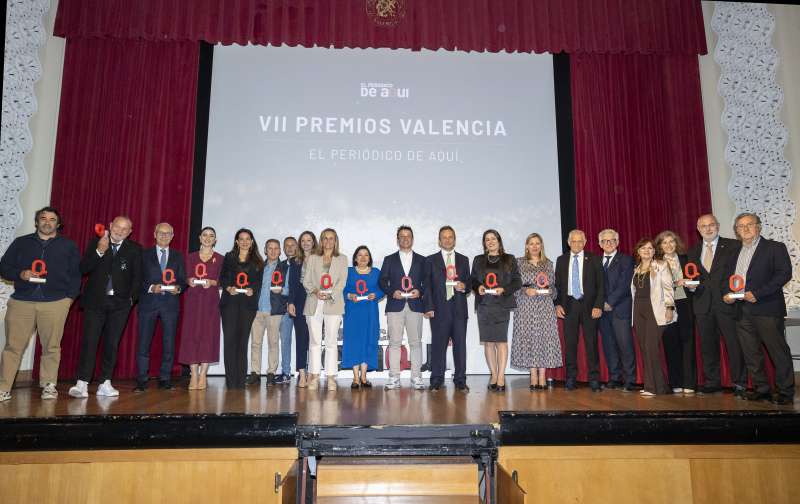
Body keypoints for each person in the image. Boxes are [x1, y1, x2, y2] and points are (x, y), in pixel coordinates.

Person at [0, 207, 80, 401]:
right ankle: (3, 387)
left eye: (52, 219)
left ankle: (49, 385)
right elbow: (4, 267)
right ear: (37, 222)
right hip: (22, 302)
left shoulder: (68, 246)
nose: (47, 222)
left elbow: (75, 275)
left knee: (51, 347)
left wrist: (68, 300)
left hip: (55, 303)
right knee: (13, 347)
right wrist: (21, 273)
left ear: (58, 224)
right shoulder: (21, 242)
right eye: (43, 218)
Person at [723, 213, 794, 405]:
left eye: (749, 224)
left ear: (759, 227)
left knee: (777, 351)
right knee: (751, 352)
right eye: (741, 226)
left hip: (767, 308)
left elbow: (784, 274)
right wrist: (728, 294)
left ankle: (786, 391)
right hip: (741, 309)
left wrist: (758, 293)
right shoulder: (734, 252)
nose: (745, 229)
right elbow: (729, 278)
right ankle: (762, 389)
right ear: (736, 231)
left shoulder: (775, 248)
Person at [69, 216, 142, 398]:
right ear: (110, 226)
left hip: (120, 305)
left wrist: (131, 299)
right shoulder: (97, 242)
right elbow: (83, 268)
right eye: (117, 227)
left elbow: (138, 277)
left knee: (112, 343)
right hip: (95, 302)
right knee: (90, 341)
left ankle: (105, 382)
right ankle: (82, 382)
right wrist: (99, 251)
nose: (120, 231)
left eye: (125, 229)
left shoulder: (135, 249)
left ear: (130, 232)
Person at [686, 214, 746, 397]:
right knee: (707, 346)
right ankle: (712, 382)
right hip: (703, 305)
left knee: (734, 344)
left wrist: (735, 293)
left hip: (727, 303)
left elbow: (741, 272)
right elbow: (694, 278)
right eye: (704, 226)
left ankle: (740, 383)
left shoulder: (733, 246)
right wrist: (691, 286)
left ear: (718, 226)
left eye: (711, 225)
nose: (708, 228)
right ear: (698, 229)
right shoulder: (693, 251)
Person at [134, 223, 186, 392]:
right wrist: (151, 288)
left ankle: (165, 378)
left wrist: (179, 288)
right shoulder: (143, 254)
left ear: (172, 236)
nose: (164, 236)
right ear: (155, 234)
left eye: (168, 233)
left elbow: (182, 279)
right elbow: (137, 278)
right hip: (148, 303)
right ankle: (142, 379)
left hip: (170, 305)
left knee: (169, 343)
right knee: (144, 343)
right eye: (161, 233)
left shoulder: (178, 256)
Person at [554, 229, 605, 392]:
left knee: (591, 343)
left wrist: (598, 305)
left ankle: (594, 379)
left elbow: (601, 285)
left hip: (590, 306)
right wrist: (557, 304)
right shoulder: (561, 260)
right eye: (573, 241)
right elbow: (557, 285)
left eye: (580, 241)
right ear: (569, 243)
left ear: (585, 242)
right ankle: (570, 378)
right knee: (570, 344)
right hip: (569, 305)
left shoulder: (595, 259)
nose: (576, 244)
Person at [470, 229, 521, 392]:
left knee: (501, 342)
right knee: (489, 342)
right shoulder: (478, 260)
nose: (491, 241)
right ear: (484, 243)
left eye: (493, 238)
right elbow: (472, 280)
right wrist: (478, 287)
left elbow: (517, 281)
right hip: (484, 305)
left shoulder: (509, 259)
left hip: (501, 305)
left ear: (499, 241)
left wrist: (504, 289)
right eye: (487, 239)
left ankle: (501, 376)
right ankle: (493, 374)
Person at [511, 233, 561, 391]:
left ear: (541, 246)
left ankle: (542, 376)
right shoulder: (518, 262)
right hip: (525, 306)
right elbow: (513, 285)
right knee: (529, 338)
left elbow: (554, 288)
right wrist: (525, 290)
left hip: (544, 307)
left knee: (544, 338)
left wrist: (550, 292)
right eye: (531, 243)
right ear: (526, 246)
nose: (534, 246)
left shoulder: (548, 264)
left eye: (537, 243)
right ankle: (533, 375)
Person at [423, 225, 471, 392]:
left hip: (459, 310)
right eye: (444, 237)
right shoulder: (430, 260)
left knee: (460, 347)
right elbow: (427, 286)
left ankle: (460, 380)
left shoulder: (464, 260)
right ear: (439, 240)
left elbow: (469, 283)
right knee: (438, 346)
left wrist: (464, 286)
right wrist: (428, 307)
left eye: (451, 237)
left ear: (454, 240)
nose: (447, 240)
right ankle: (436, 380)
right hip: (438, 310)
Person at [379, 225, 426, 390]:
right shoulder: (389, 259)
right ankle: (394, 377)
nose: (405, 239)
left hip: (416, 305)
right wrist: (392, 292)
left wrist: (420, 291)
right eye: (402, 236)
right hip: (395, 305)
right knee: (394, 342)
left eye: (408, 236)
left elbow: (427, 282)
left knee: (416, 342)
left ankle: (416, 377)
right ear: (397, 239)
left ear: (412, 239)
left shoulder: (422, 260)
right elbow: (382, 281)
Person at [302, 228, 348, 391]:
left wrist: (330, 294)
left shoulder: (342, 259)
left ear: (335, 241)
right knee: (314, 341)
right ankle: (314, 376)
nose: (328, 241)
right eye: (325, 238)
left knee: (331, 342)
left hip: (333, 303)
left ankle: (330, 378)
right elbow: (306, 281)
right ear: (321, 241)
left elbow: (342, 282)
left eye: (331, 238)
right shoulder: (313, 258)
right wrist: (316, 291)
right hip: (314, 302)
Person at [178, 226, 223, 390]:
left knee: (208, 336)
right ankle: (194, 374)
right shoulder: (190, 257)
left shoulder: (220, 259)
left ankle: (203, 374)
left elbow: (223, 280)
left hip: (211, 302)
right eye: (205, 235)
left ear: (215, 240)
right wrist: (188, 280)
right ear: (199, 238)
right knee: (191, 335)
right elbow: (183, 277)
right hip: (193, 301)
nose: (208, 238)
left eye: (211, 236)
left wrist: (212, 282)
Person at [219, 229, 263, 389]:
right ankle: (231, 381)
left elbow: (258, 282)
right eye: (241, 239)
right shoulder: (229, 257)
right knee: (230, 341)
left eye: (247, 239)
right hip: (229, 304)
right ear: (237, 241)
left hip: (247, 305)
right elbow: (222, 277)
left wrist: (253, 289)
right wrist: (228, 287)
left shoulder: (258, 261)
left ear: (252, 241)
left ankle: (240, 380)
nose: (244, 242)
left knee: (242, 342)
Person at [631, 238, 675, 396]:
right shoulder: (636, 268)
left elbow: (668, 288)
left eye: (650, 248)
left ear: (654, 251)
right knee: (645, 349)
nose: (646, 251)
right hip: (638, 310)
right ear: (638, 251)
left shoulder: (661, 265)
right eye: (643, 248)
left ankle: (651, 387)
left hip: (655, 310)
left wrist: (670, 308)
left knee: (651, 348)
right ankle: (659, 386)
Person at [655, 230, 696, 394]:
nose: (668, 245)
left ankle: (689, 383)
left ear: (676, 243)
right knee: (671, 344)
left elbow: (697, 280)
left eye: (671, 241)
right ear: (660, 246)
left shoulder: (687, 259)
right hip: (666, 307)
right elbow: (655, 287)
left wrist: (691, 285)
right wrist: (674, 283)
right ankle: (676, 382)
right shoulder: (656, 263)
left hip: (685, 303)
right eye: (664, 242)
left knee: (688, 343)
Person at [596, 229, 636, 392]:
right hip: (602, 311)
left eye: (612, 240)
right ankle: (615, 378)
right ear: (600, 244)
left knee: (625, 345)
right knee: (609, 345)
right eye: (605, 241)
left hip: (620, 309)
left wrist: (609, 302)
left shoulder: (627, 260)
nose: (608, 243)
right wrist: (600, 304)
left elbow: (625, 284)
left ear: (617, 242)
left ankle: (630, 379)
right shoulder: (595, 261)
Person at [248, 239, 289, 386]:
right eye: (270, 248)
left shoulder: (285, 268)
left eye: (276, 248)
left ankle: (271, 373)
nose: (273, 251)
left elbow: (289, 290)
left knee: (273, 343)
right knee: (255, 343)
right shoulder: (258, 267)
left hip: (275, 311)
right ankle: (255, 373)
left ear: (280, 251)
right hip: (257, 311)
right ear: (265, 250)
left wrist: (282, 290)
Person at [342, 246, 383, 388]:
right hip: (352, 313)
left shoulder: (376, 272)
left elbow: (383, 289)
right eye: (360, 255)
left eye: (366, 255)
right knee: (353, 342)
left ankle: (364, 377)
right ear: (355, 258)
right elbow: (341, 289)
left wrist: (375, 295)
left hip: (370, 312)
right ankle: (355, 378)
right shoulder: (348, 272)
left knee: (368, 341)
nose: (363, 258)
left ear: (369, 258)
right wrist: (349, 295)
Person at [289, 231, 316, 388]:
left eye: (309, 240)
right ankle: (302, 373)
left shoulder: (320, 259)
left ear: (313, 242)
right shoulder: (295, 261)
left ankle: (313, 373)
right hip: (299, 301)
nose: (306, 243)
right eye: (303, 240)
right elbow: (292, 283)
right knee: (301, 338)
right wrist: (290, 302)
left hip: (316, 301)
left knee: (314, 339)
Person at [275, 236, 298, 384]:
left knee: (305, 340)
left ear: (297, 247)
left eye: (292, 245)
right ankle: (286, 372)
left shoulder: (303, 263)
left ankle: (305, 371)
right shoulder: (279, 265)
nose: (289, 248)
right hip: (284, 308)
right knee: (285, 340)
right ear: (283, 249)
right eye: (287, 245)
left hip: (301, 306)